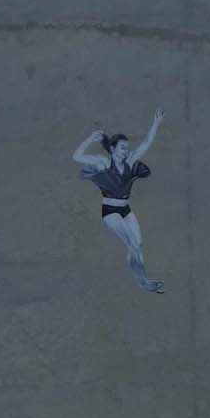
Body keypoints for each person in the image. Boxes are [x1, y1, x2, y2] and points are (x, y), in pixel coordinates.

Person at [72, 110, 165, 293]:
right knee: (132, 245)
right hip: (110, 211)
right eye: (122, 148)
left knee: (138, 246)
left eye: (127, 148)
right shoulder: (103, 163)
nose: (126, 151)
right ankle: (144, 282)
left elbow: (145, 144)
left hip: (125, 209)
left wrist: (156, 123)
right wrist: (90, 139)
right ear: (113, 149)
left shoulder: (130, 161)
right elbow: (76, 157)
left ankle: (143, 280)